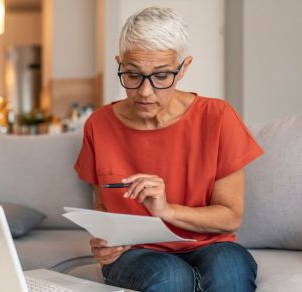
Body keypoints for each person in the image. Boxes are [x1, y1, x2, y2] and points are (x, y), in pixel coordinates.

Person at [74, 6, 263, 292]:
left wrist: (166, 211)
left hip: (209, 245)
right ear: (119, 63)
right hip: (134, 253)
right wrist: (103, 240)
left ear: (183, 68)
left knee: (231, 269)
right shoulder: (99, 124)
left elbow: (230, 216)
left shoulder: (218, 117)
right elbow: (102, 205)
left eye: (161, 76)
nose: (145, 92)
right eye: (132, 75)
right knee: (171, 276)